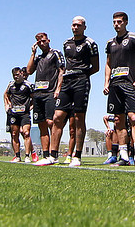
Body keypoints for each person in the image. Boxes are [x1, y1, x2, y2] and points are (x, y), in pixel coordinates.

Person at [37, 16, 99, 167]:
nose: (75, 27)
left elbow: (95, 67)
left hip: (81, 81)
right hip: (66, 82)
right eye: (73, 25)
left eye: (78, 25)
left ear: (84, 27)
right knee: (57, 117)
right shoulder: (66, 43)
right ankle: (52, 156)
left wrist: (82, 75)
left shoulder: (90, 43)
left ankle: (77, 156)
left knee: (78, 118)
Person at [103, 12, 135, 167]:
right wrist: (106, 82)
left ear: (126, 22)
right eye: (114, 22)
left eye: (119, 21)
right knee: (118, 121)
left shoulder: (134, 38)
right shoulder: (110, 43)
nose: (116, 24)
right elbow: (108, 64)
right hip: (114, 86)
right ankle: (123, 157)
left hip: (129, 85)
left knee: (133, 118)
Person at [26, 32, 64, 160]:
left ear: (48, 40)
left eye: (43, 41)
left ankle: (54, 154)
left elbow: (62, 71)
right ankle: (46, 154)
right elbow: (29, 71)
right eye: (39, 42)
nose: (41, 43)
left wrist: (58, 89)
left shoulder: (55, 53)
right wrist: (32, 53)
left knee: (50, 122)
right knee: (41, 124)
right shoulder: (38, 58)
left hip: (50, 93)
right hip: (38, 94)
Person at [4, 67, 35, 163]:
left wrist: (31, 106)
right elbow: (6, 95)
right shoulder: (11, 85)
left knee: (26, 133)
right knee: (14, 134)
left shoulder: (28, 85)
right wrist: (7, 105)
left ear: (22, 74)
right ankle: (17, 156)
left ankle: (27, 156)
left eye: (17, 75)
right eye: (14, 75)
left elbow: (34, 97)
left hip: (24, 114)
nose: (16, 77)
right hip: (14, 114)